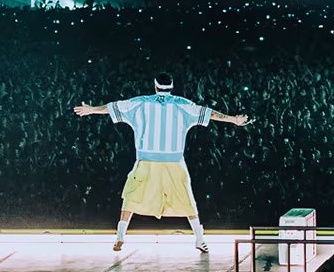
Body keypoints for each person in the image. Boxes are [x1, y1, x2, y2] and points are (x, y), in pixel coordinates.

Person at [73, 73, 250, 253]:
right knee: (187, 200)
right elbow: (210, 113)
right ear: (172, 87)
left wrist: (92, 109)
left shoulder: (140, 102)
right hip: (173, 161)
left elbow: (112, 107)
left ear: (155, 86)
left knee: (131, 198)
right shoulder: (183, 104)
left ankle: (120, 236)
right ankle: (199, 239)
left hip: (146, 160)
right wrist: (234, 119)